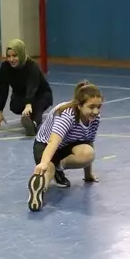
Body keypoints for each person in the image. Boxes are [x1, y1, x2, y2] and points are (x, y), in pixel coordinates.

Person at [27, 81, 103, 212]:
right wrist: (44, 163)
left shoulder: (94, 118)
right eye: (91, 107)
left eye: (98, 107)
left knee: (88, 153)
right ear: (80, 105)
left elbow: (89, 142)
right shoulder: (66, 114)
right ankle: (39, 190)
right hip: (45, 145)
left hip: (67, 146)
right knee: (48, 170)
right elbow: (53, 142)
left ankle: (58, 167)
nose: (95, 111)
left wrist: (88, 174)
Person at [0, 39, 53, 136]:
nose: (11, 59)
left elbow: (32, 85)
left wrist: (28, 103)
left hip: (40, 94)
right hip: (21, 94)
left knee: (37, 107)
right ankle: (28, 115)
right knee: (14, 106)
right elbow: (2, 89)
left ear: (21, 54)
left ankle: (33, 125)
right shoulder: (5, 67)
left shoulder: (32, 66)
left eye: (14, 56)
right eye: (8, 56)